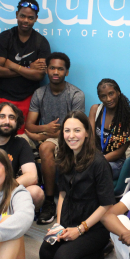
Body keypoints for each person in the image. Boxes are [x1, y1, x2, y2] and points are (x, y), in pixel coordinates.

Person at [38, 111, 115, 259]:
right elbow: (63, 194)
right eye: (67, 131)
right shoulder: (66, 156)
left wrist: (80, 230)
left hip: (93, 227)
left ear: (87, 133)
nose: (71, 136)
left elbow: (106, 204)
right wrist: (59, 224)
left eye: (77, 130)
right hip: (69, 220)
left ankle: (103, 249)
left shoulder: (99, 163)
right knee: (45, 255)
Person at [24, 52, 85, 224]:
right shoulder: (39, 93)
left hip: (65, 137)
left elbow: (76, 129)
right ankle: (15, 194)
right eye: (52, 68)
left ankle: (49, 202)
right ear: (47, 70)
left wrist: (44, 134)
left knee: (45, 148)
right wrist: (44, 130)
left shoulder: (75, 95)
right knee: (16, 141)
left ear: (66, 72)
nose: (55, 72)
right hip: (45, 133)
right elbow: (29, 125)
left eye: (60, 68)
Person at [0, 0, 51, 134]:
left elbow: (39, 75)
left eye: (30, 17)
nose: (25, 20)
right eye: (22, 16)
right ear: (17, 15)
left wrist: (11, 64)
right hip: (1, 95)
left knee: (21, 140)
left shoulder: (41, 42)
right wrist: (29, 69)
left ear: (36, 19)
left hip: (27, 98)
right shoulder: (5, 37)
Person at [88, 78, 130, 179]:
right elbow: (90, 138)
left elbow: (120, 152)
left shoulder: (129, 119)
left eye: (111, 94)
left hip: (115, 162)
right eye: (103, 96)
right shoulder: (95, 110)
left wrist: (96, 162)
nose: (108, 99)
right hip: (94, 157)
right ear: (100, 98)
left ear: (118, 92)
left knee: (97, 170)